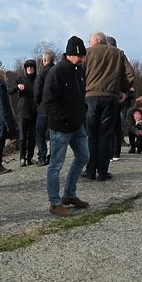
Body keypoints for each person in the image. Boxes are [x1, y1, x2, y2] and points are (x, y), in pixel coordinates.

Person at [43, 36, 91, 217]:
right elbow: (48, 102)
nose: (81, 59)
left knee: (84, 156)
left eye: (82, 56)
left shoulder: (79, 70)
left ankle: (69, 194)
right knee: (56, 165)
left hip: (77, 124)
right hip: (60, 127)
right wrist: (63, 117)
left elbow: (80, 95)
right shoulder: (56, 72)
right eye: (79, 56)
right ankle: (54, 202)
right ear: (69, 54)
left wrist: (82, 111)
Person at [83, 32, 134, 181]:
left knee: (91, 135)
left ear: (95, 41)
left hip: (90, 96)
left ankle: (90, 170)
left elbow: (80, 73)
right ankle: (103, 172)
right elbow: (130, 75)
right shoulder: (118, 53)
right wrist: (123, 90)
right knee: (105, 135)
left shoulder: (87, 53)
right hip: (110, 97)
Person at [10, 59, 38, 167]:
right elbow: (10, 90)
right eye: (28, 67)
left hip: (34, 111)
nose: (30, 68)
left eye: (32, 67)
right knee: (22, 137)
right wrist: (17, 87)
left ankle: (30, 157)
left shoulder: (37, 79)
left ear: (34, 68)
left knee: (32, 136)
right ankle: (22, 157)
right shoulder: (21, 79)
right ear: (26, 69)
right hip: (23, 112)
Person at [34, 49, 56, 166]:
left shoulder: (42, 73)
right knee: (53, 133)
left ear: (44, 60)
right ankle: (53, 156)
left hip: (43, 108)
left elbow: (37, 90)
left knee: (40, 132)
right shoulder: (57, 71)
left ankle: (42, 156)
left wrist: (37, 103)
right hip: (55, 108)